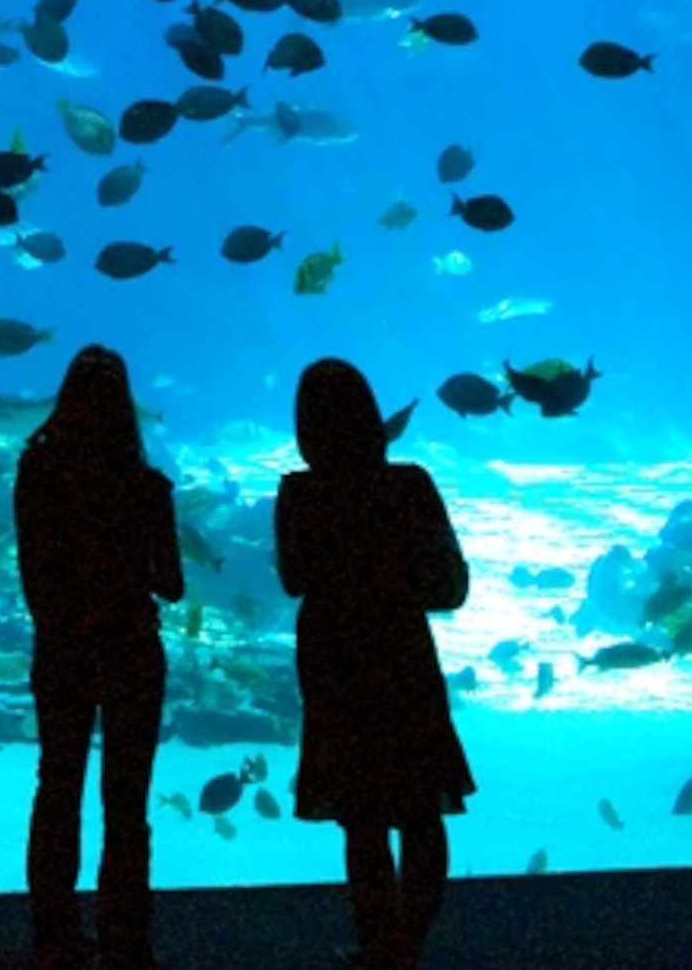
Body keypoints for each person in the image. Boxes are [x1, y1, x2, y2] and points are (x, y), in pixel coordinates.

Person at [277, 357, 474, 970]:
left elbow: (293, 580)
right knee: (419, 805)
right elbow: (451, 587)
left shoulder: (299, 492)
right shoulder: (409, 484)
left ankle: (378, 945)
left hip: (335, 655)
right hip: (400, 651)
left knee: (359, 812)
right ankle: (407, 944)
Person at [16, 345, 183, 970]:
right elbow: (171, 583)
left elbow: (32, 570)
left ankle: (51, 932)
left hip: (61, 646)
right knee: (127, 800)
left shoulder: (36, 472)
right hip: (131, 648)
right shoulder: (146, 486)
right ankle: (125, 937)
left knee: (56, 786)